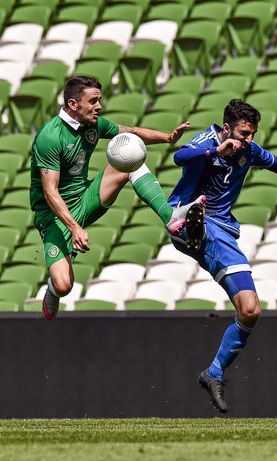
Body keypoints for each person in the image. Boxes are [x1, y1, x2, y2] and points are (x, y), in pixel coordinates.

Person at [167, 98, 277, 414]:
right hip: (189, 216)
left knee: (250, 310)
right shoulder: (210, 140)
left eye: (252, 133)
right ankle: (188, 225)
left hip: (222, 234)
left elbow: (273, 160)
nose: (248, 139)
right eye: (242, 132)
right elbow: (180, 156)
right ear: (226, 128)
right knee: (197, 215)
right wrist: (214, 152)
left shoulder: (248, 150)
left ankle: (214, 373)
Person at [30, 75, 205, 320]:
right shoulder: (50, 136)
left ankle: (172, 219)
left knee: (130, 156)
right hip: (54, 216)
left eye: (99, 100)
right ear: (72, 104)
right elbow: (50, 192)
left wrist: (166, 138)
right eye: (93, 101)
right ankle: (51, 288)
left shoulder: (93, 124)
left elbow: (131, 133)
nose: (99, 106)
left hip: (86, 197)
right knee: (63, 285)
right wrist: (75, 227)